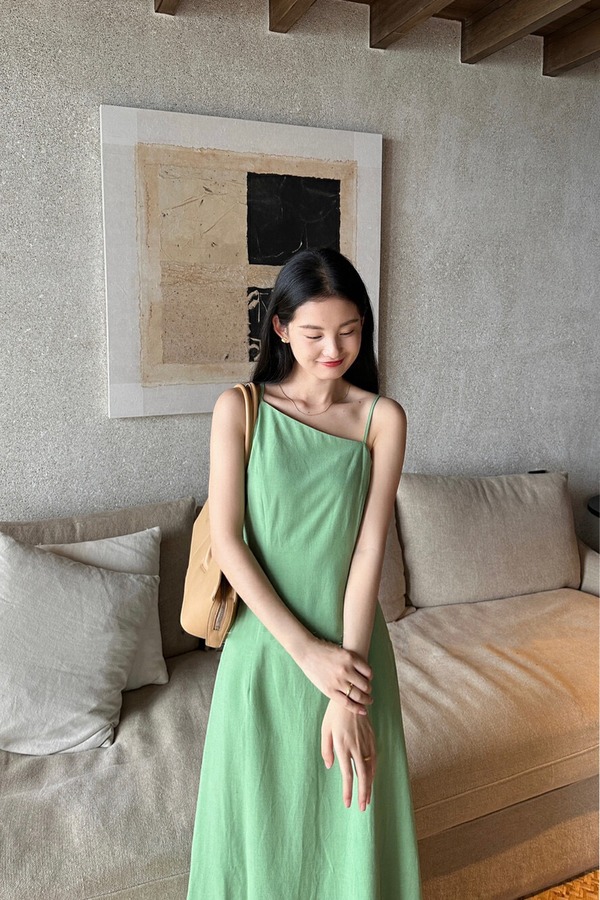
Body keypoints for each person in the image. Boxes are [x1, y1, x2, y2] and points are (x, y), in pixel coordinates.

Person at [186, 247, 422, 899]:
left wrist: (346, 691)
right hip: (265, 656)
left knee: (349, 827)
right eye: (314, 333)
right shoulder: (240, 408)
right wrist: (307, 654)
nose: (333, 349)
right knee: (260, 832)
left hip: (354, 653)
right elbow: (230, 543)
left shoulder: (382, 419)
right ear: (282, 328)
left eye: (349, 331)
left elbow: (369, 551)